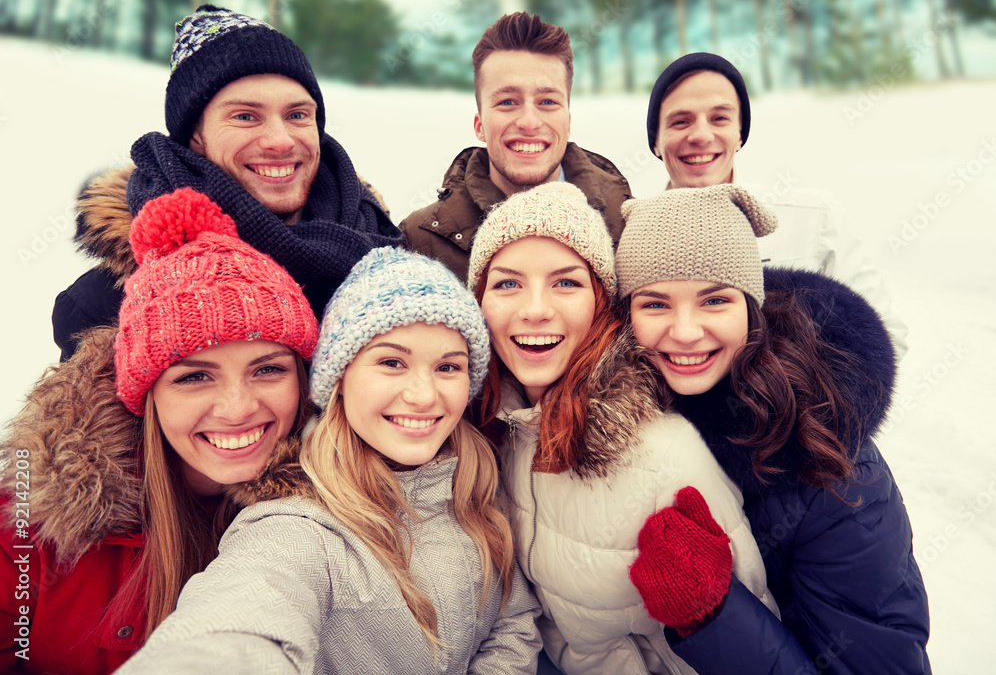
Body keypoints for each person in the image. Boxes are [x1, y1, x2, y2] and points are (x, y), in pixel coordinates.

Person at [115, 247, 542, 674]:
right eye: (392, 362)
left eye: (449, 367)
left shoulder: (476, 481)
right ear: (339, 379)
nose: (424, 395)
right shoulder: (299, 524)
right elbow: (242, 617)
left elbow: (514, 623)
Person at [0, 188, 318, 673]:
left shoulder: (343, 515)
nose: (237, 409)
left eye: (267, 369)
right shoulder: (28, 522)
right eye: (194, 377)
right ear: (144, 396)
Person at [617, 184, 931, 674]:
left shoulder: (833, 467)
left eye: (714, 300)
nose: (684, 331)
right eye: (655, 304)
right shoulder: (622, 424)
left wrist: (714, 617)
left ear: (751, 308)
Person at [467, 182, 776, 675]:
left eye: (566, 282)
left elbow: (751, 650)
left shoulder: (664, 453)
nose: (534, 309)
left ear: (601, 303)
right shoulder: (496, 433)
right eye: (507, 283)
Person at [52, 4, 401, 362]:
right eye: (245, 116)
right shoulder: (107, 307)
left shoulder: (389, 252)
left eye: (297, 115)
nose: (280, 141)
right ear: (196, 136)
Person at [645, 52, 908, 357]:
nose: (701, 135)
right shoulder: (629, 237)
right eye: (680, 121)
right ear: (656, 141)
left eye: (720, 118)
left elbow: (883, 338)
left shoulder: (814, 219)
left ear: (740, 134)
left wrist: (789, 395)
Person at [399, 11, 632, 282]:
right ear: (479, 126)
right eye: (507, 102)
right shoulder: (419, 242)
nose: (529, 122)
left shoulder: (628, 226)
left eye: (547, 102)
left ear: (567, 122)